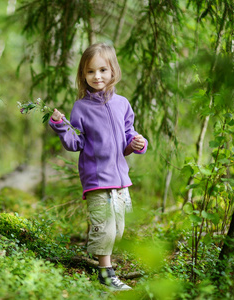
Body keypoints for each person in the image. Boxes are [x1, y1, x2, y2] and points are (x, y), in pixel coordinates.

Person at [48, 43, 148, 291]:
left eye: (103, 70)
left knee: (118, 229)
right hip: (96, 179)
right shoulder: (81, 107)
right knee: (104, 228)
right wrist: (60, 125)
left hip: (120, 179)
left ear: (113, 71)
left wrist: (138, 143)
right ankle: (105, 274)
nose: (97, 76)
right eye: (90, 71)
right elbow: (75, 142)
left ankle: (107, 268)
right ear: (83, 74)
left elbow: (127, 137)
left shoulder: (122, 103)